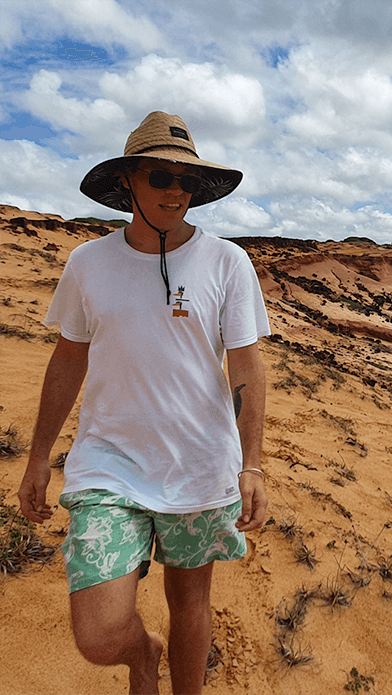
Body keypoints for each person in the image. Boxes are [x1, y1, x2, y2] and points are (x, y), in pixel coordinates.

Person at [17, 111, 271, 695]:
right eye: (161, 176)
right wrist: (37, 458)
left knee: (190, 602)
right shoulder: (87, 263)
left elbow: (247, 364)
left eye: (187, 181)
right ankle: (141, 656)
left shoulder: (227, 261)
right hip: (110, 465)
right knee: (99, 633)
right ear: (129, 181)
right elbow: (67, 359)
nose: (176, 191)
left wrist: (251, 463)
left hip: (198, 466)